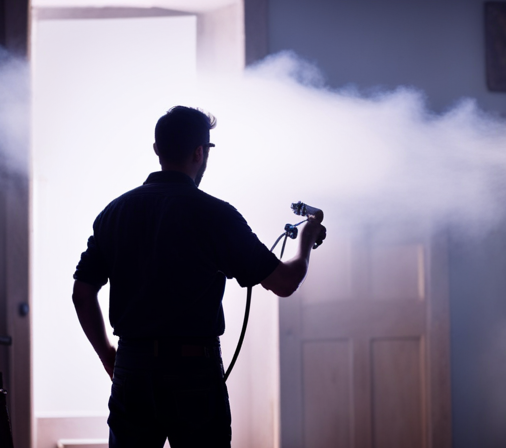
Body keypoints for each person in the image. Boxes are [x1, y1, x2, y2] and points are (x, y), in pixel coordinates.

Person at [71, 106, 326, 447]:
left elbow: (82, 294)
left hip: (132, 368)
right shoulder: (215, 214)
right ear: (199, 152)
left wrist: (109, 357)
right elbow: (284, 282)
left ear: (157, 150)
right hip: (193, 371)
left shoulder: (114, 213)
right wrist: (308, 238)